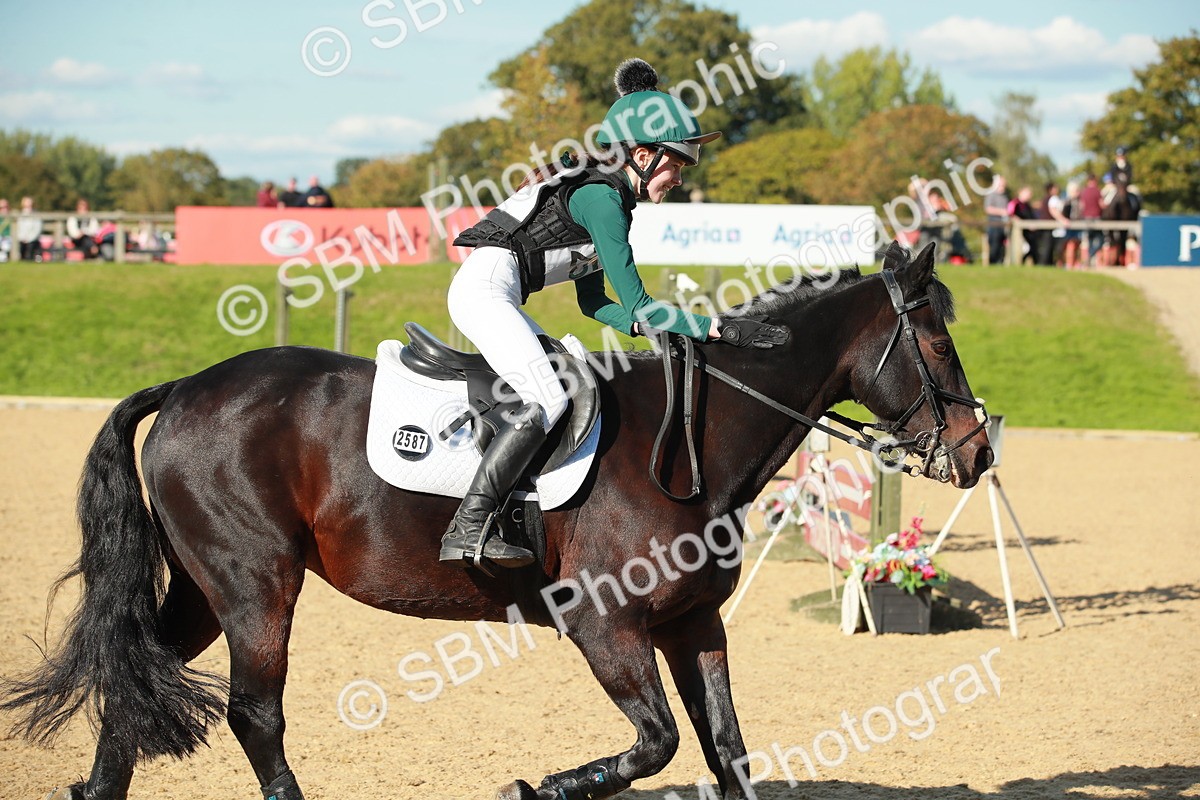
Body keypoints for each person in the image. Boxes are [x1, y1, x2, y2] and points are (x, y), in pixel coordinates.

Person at [438, 58, 784, 568]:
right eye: (676, 165)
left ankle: (517, 509)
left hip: (496, 290)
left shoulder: (607, 196)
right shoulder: (602, 200)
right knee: (549, 395)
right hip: (484, 290)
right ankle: (468, 526)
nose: (679, 180)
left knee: (566, 379)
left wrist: (653, 332)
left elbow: (595, 302)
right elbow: (640, 304)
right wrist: (717, 327)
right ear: (642, 155)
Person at [1078, 173, 1104, 266]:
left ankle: (1088, 260)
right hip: (1096, 218)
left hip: (1086, 218)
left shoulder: (1083, 192)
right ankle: (1090, 256)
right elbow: (1102, 205)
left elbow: (1081, 206)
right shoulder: (1097, 191)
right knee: (1101, 240)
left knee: (1090, 240)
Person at [984, 175, 1009, 264]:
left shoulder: (1004, 196)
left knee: (1002, 245)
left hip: (1003, 224)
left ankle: (1000, 262)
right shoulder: (991, 195)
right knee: (994, 244)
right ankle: (993, 263)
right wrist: (1002, 211)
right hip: (994, 223)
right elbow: (988, 209)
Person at [16, 196, 43, 262]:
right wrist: (22, 237)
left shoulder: (36, 215)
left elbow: (37, 229)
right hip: (22, 239)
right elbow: (18, 228)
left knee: (31, 247)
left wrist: (29, 238)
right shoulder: (19, 215)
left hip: (33, 239)